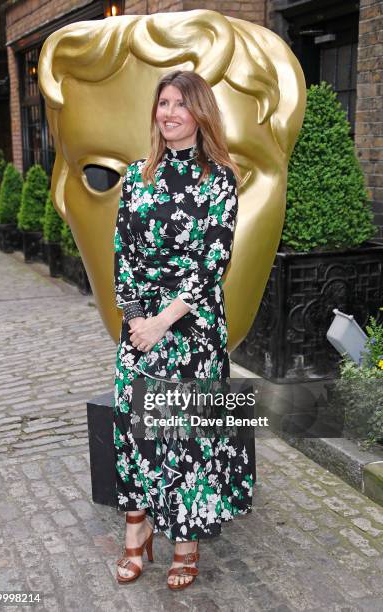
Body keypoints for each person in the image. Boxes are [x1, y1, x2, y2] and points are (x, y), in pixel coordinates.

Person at [112, 69, 255, 590]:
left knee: (185, 434)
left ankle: (185, 544)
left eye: (179, 104)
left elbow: (212, 261)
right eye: (163, 103)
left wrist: (163, 321)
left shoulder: (219, 177)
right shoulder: (136, 175)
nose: (169, 113)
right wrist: (135, 322)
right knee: (135, 428)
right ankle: (137, 532)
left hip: (190, 325)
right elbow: (122, 258)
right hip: (140, 323)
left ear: (200, 113)